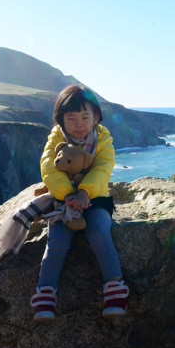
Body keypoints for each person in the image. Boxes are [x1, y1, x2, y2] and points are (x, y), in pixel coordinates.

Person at [30, 84, 129, 322]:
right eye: (71, 118)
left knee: (99, 233)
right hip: (63, 201)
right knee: (58, 239)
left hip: (96, 198)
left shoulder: (102, 138)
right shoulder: (56, 138)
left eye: (85, 117)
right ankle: (45, 292)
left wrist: (85, 192)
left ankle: (114, 288)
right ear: (60, 120)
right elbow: (48, 168)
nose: (79, 124)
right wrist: (66, 195)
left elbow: (104, 167)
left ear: (96, 116)